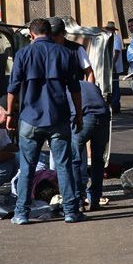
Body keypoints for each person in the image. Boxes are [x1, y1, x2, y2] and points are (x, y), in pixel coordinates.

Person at [6, 18, 84, 225]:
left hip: (30, 120)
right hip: (58, 118)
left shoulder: (23, 54)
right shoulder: (66, 54)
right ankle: (70, 211)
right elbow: (75, 89)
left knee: (27, 167)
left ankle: (21, 213)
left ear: (31, 35)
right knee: (63, 165)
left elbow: (12, 89)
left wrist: (9, 114)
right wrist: (78, 114)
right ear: (49, 33)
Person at [71, 77, 111, 210]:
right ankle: (95, 200)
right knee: (98, 160)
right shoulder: (90, 85)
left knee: (75, 160)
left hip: (86, 117)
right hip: (104, 117)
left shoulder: (66, 87)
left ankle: (79, 200)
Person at [51, 18, 94, 82]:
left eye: (56, 34)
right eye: (50, 34)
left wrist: (89, 90)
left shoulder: (77, 49)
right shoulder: (44, 50)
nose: (53, 37)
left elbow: (89, 73)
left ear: (64, 33)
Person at [104, 21, 124, 114]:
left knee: (115, 86)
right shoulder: (109, 38)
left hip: (113, 67)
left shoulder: (115, 38)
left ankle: (115, 105)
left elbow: (116, 52)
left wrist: (112, 64)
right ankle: (111, 104)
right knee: (110, 86)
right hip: (110, 66)